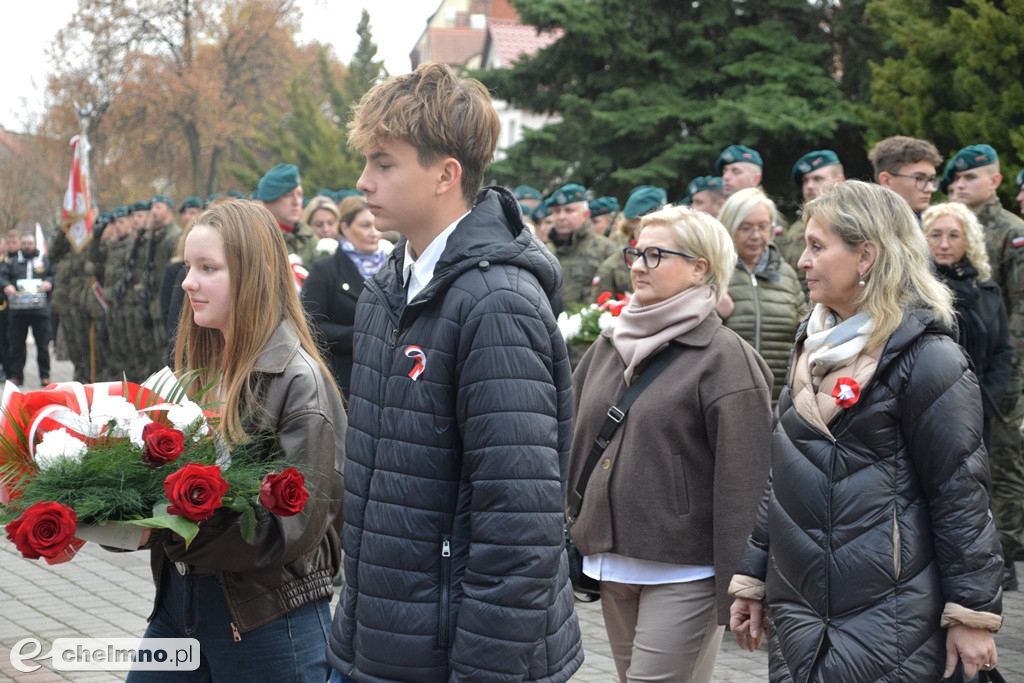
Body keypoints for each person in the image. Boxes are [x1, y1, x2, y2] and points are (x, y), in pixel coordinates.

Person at [327, 62, 583, 683]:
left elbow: (519, 527)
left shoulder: (496, 304)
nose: (363, 180)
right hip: (384, 643)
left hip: (463, 657)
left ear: (447, 174)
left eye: (384, 162)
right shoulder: (387, 288)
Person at [729, 180, 1004, 682]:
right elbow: (784, 472)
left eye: (817, 246)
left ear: (866, 256)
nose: (802, 262)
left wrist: (971, 614)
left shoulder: (929, 358)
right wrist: (753, 577)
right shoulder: (810, 347)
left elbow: (960, 492)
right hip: (801, 612)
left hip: (889, 616)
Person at [128, 200, 347, 682]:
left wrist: (163, 531)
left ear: (254, 276)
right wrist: (100, 516)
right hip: (178, 610)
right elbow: (149, 488)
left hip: (267, 620)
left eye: (208, 268)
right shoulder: (190, 377)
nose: (188, 282)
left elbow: (288, 530)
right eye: (189, 266)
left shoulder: (299, 382)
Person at [569, 205, 772, 683]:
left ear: (700, 267)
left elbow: (748, 483)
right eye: (636, 252)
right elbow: (572, 441)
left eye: (655, 254)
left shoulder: (726, 358)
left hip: (686, 570)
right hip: (611, 561)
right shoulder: (608, 344)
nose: (638, 264)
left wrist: (744, 584)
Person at [942, 143, 1024, 590]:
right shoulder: (943, 226)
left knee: (1005, 460)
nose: (959, 185)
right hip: (965, 368)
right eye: (955, 179)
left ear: (994, 181)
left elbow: (1018, 309)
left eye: (969, 178)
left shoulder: (1011, 231)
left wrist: (1008, 375)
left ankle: (1005, 551)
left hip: (1002, 368)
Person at [922, 202, 1012, 447]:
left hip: (978, 408)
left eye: (953, 235)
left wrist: (987, 400)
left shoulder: (987, 291)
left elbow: (1002, 351)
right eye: (935, 235)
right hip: (926, 409)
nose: (943, 244)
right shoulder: (915, 291)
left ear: (969, 241)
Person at [717, 187, 804, 405]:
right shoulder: (714, 274)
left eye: (763, 227)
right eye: (745, 228)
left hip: (779, 404)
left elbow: (805, 335)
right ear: (729, 227)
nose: (756, 236)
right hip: (725, 401)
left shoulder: (786, 275)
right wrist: (714, 313)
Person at [301, 195, 385, 398]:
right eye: (365, 225)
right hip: (343, 381)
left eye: (377, 225)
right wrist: (364, 335)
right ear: (345, 228)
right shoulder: (326, 269)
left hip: (386, 379)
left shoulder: (392, 267)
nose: (374, 233)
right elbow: (311, 327)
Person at [546, 182, 619, 307]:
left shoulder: (607, 250)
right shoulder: (544, 251)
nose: (561, 217)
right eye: (557, 211)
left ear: (586, 215)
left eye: (569, 210)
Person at [590, 186, 667, 301]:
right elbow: (598, 313)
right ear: (632, 222)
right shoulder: (612, 267)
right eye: (650, 219)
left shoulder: (675, 255)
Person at [776, 150, 844, 276]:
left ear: (839, 180)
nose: (810, 186)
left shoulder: (851, 224)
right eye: (805, 181)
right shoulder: (797, 228)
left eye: (818, 179)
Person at [0, 231, 54, 386]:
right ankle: (16, 375)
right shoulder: (12, 262)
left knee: (43, 345)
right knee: (16, 345)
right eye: (24, 244)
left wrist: (48, 282)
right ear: (20, 245)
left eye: (30, 243)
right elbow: (2, 276)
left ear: (34, 244)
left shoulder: (43, 260)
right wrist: (7, 286)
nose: (27, 246)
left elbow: (53, 274)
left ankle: (45, 375)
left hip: (40, 311)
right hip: (17, 312)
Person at [254, 163, 317, 266]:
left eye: (299, 194)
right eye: (287, 195)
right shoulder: (258, 238)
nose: (296, 202)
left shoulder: (308, 235)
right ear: (268, 202)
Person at [869, 135, 942, 216]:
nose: (930, 188)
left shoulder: (932, 224)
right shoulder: (864, 225)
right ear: (887, 181)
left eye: (931, 179)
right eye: (919, 178)